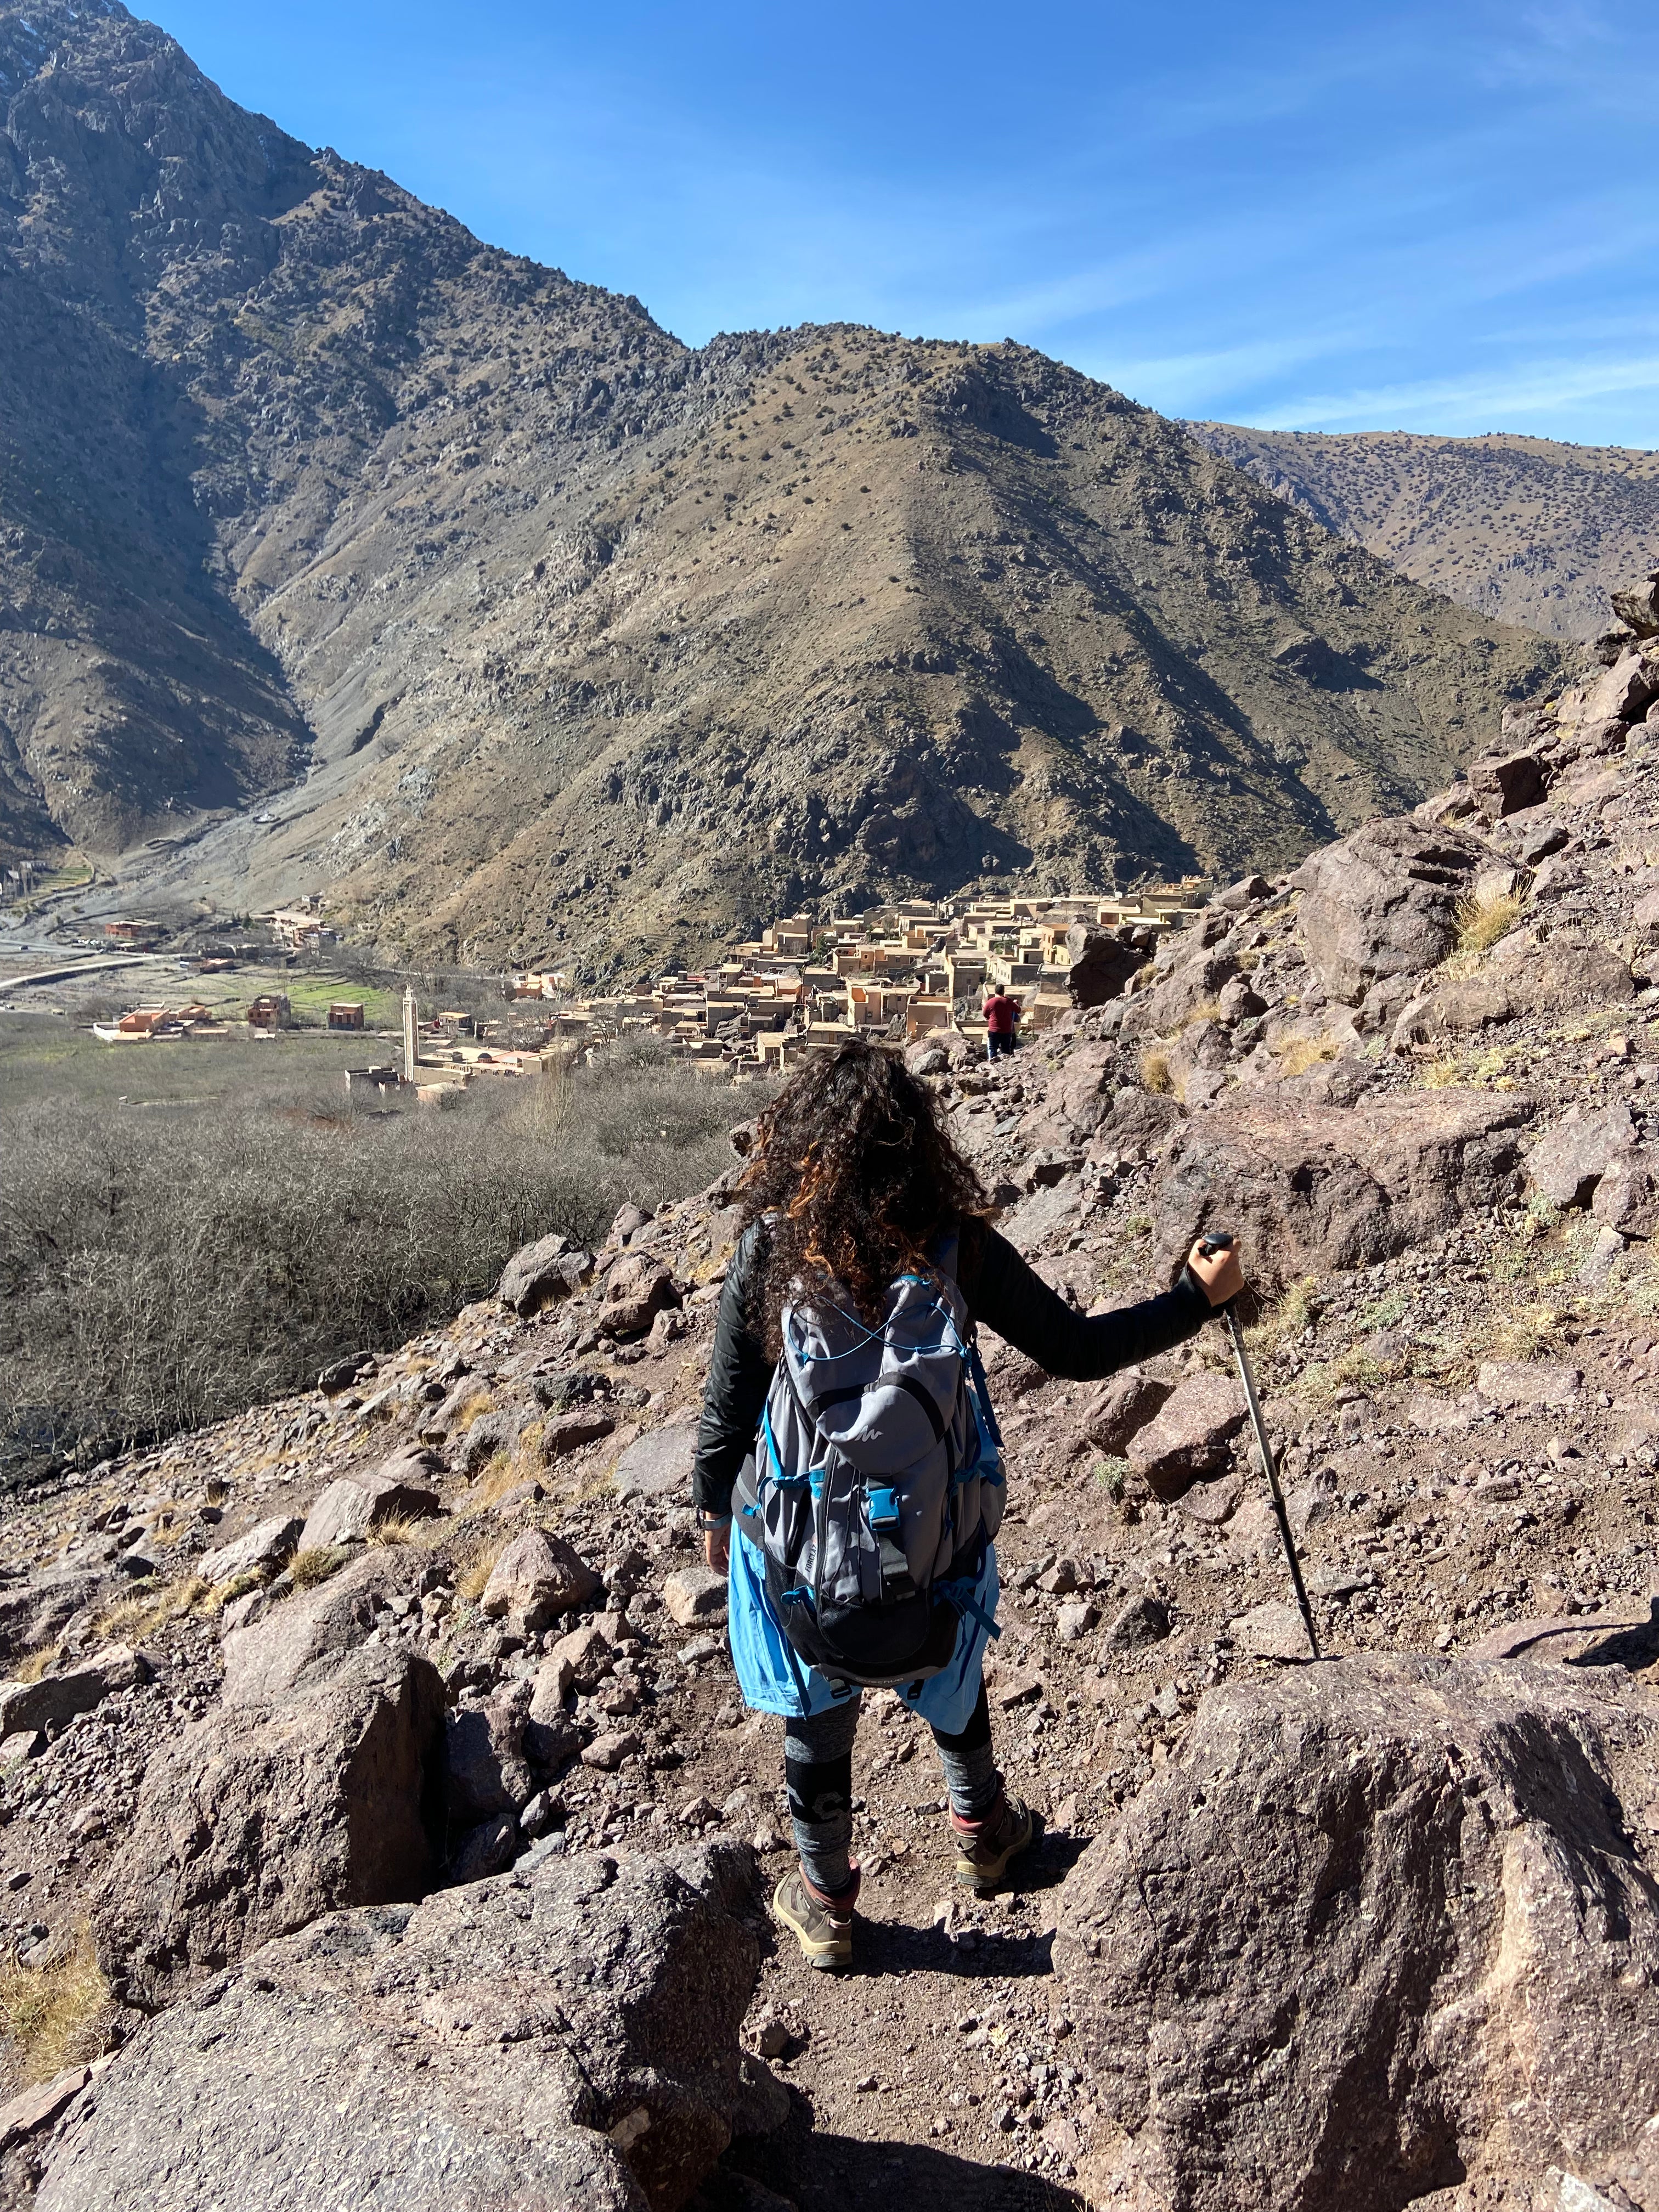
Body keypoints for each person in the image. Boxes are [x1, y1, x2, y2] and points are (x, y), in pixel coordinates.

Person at [692, 1037, 1245, 1971]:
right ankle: (985, 1832)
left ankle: (825, 1901)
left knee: (814, 1700)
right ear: (915, 1144)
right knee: (947, 1644)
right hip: (933, 1558)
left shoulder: (768, 1250)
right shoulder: (956, 1246)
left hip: (806, 1568)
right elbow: (1072, 1348)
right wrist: (1193, 1298)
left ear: (801, 1148)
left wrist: (716, 1513)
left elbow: (727, 1413)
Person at [983, 985, 1019, 1059]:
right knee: (1006, 1050)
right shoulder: (1008, 1001)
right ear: (1003, 991)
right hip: (1006, 1030)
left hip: (994, 1030)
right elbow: (1018, 1010)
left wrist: (990, 1018)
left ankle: (992, 1063)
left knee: (992, 1048)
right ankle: (1005, 1065)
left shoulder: (991, 1001)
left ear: (995, 991)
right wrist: (1015, 1003)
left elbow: (985, 1014)